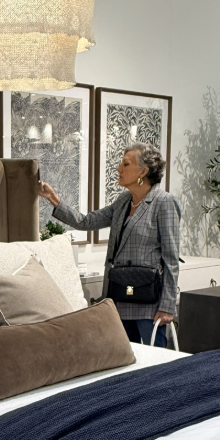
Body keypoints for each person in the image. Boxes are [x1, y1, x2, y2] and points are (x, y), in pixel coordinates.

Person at [38, 144, 181, 348]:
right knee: (124, 358)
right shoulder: (124, 201)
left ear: (143, 171)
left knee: (156, 361)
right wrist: (53, 199)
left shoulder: (164, 202)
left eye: (126, 164)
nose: (118, 169)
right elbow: (86, 221)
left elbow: (171, 259)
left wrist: (167, 305)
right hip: (119, 297)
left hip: (149, 302)